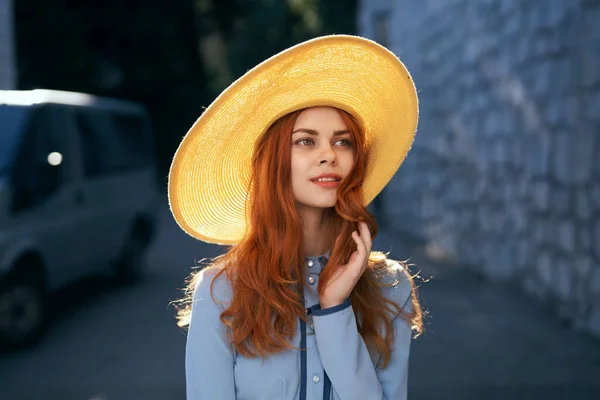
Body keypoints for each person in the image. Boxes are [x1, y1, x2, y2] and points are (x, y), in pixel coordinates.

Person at [168, 34, 424, 400]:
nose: (329, 155)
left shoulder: (390, 286)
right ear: (274, 161)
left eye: (343, 141)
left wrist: (335, 307)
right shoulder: (221, 290)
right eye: (306, 141)